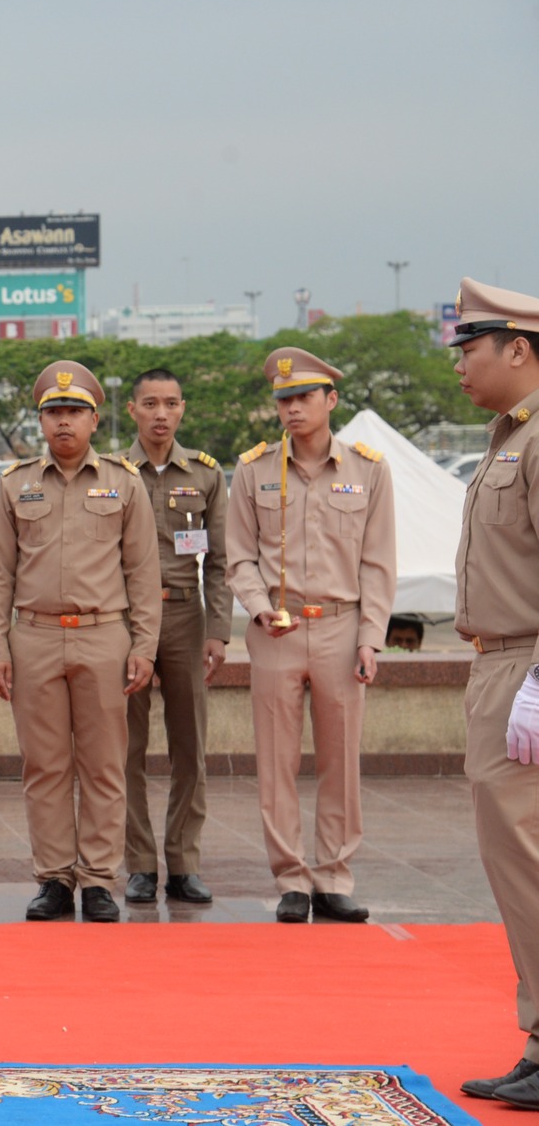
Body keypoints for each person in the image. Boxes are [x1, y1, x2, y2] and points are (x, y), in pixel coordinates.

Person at [0, 360, 160, 924]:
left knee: (104, 765)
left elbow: (143, 572)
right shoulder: (15, 485)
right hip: (34, 637)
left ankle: (99, 880)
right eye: (54, 412)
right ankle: (54, 878)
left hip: (104, 635)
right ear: (41, 421)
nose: (64, 421)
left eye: (75, 412)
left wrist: (144, 645)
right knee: (45, 766)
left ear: (94, 420)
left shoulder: (124, 482)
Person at [225, 346, 395, 924]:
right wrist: (258, 609)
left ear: (331, 400)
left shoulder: (368, 470)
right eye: (284, 399)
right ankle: (292, 880)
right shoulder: (253, 470)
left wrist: (371, 637)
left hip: (342, 627)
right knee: (275, 762)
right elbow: (239, 557)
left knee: (340, 761)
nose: (292, 408)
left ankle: (333, 877)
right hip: (276, 629)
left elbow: (378, 562)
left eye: (303, 397)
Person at [441, 281, 539, 1107]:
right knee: (518, 866)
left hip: (528, 666)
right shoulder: (509, 437)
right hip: (498, 663)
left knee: (529, 862)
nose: (460, 364)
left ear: (518, 347)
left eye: (470, 348)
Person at [119, 368, 230, 907]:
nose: (160, 414)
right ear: (132, 410)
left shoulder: (206, 474)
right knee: (127, 749)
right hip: (125, 621)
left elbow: (221, 560)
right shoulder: (114, 473)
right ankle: (140, 864)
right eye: (150, 404)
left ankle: (184, 864)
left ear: (183, 408)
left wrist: (219, 631)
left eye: (170, 404)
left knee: (190, 747)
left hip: (186, 617)